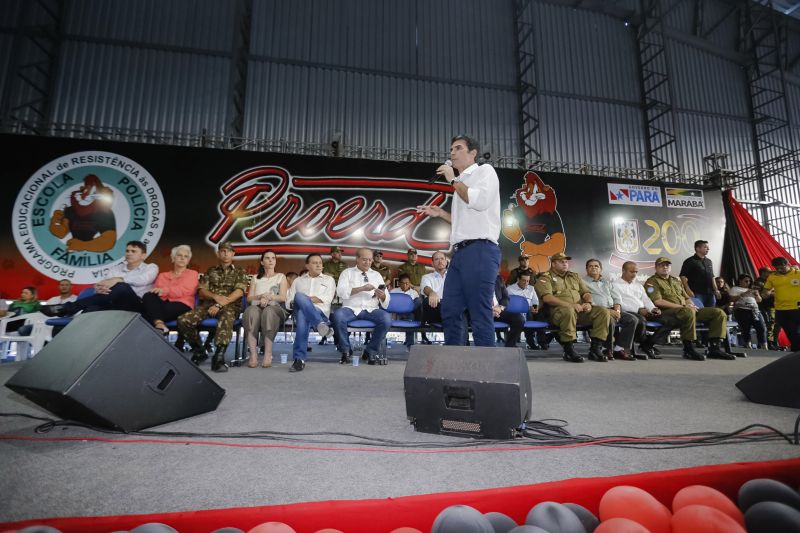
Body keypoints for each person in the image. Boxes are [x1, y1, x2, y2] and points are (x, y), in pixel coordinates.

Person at [416, 135, 501, 347]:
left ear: (473, 153)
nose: (452, 152)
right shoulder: (461, 184)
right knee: (450, 309)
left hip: (481, 250)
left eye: (458, 148)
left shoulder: (484, 171)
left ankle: (487, 369)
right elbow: (465, 222)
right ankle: (455, 361)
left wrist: (453, 179)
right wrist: (441, 215)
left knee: (479, 311)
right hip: (460, 253)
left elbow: (478, 202)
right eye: (451, 148)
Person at [177, 242, 248, 373]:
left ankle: (219, 357)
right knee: (183, 320)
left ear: (233, 254)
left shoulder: (240, 271)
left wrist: (220, 304)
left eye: (228, 251)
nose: (226, 254)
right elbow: (202, 291)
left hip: (230, 306)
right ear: (218, 254)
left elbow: (239, 292)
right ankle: (199, 351)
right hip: (208, 305)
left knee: (226, 317)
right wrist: (215, 297)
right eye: (223, 251)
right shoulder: (211, 271)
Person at [645, 256, 733, 360]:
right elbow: (658, 301)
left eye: (667, 265)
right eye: (661, 265)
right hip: (666, 312)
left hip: (685, 310)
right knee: (688, 312)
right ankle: (689, 349)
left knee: (718, 313)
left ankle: (714, 348)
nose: (665, 267)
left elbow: (686, 297)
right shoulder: (652, 282)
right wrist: (683, 307)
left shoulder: (675, 280)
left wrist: (691, 304)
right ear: (656, 268)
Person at [41, 240, 158, 317]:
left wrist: (119, 279)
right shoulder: (116, 268)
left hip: (136, 305)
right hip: (113, 303)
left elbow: (143, 280)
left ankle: (69, 307)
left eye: (133, 251)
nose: (129, 253)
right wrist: (99, 288)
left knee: (122, 287)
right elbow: (105, 284)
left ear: (143, 255)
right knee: (91, 310)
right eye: (127, 251)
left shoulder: (151, 267)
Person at [534, 252, 610, 362]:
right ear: (553, 264)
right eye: (561, 262)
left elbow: (586, 292)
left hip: (579, 311)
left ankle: (595, 349)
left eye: (566, 261)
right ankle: (569, 350)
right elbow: (547, 298)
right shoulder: (545, 278)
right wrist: (571, 305)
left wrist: (588, 303)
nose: (565, 264)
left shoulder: (574, 276)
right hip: (557, 313)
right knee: (568, 311)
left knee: (603, 311)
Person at [333, 248, 391, 365]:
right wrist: (362, 288)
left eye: (370, 260)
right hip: (350, 308)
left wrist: (383, 296)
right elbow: (341, 292)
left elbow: (386, 300)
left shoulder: (376, 275)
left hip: (371, 309)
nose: (368, 262)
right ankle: (346, 350)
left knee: (386, 319)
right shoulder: (347, 273)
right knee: (338, 316)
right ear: (357, 259)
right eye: (364, 260)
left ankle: (370, 351)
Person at [285, 253, 335, 372]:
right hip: (303, 311)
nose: (318, 265)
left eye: (320, 263)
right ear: (307, 266)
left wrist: (303, 301)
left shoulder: (329, 280)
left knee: (303, 311)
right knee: (299, 296)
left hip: (320, 312)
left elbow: (327, 299)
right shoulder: (298, 281)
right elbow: (289, 302)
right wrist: (302, 300)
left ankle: (299, 359)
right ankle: (321, 326)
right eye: (314, 263)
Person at [584, 258, 637, 361]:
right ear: (586, 269)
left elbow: (617, 298)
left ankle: (619, 349)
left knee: (632, 320)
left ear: (601, 269)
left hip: (613, 309)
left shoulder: (606, 282)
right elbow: (586, 300)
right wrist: (608, 311)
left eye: (596, 266)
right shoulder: (583, 283)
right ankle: (607, 349)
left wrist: (617, 310)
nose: (593, 268)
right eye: (590, 266)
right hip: (597, 311)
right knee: (610, 321)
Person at [243, 250, 289, 368]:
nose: (270, 260)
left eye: (273, 258)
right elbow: (249, 299)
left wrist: (269, 297)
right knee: (250, 311)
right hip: (257, 306)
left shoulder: (281, 277)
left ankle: (268, 354)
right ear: (262, 262)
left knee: (268, 311)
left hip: (275, 308)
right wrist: (260, 296)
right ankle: (253, 354)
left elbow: (283, 297)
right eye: (267, 258)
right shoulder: (255, 278)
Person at [141, 244, 199, 334]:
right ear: (173, 258)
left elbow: (186, 290)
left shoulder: (192, 274)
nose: (182, 258)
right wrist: (161, 291)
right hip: (162, 303)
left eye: (186, 256)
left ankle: (158, 324)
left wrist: (165, 291)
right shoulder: (163, 275)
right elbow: (157, 291)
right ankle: (159, 324)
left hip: (182, 304)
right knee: (148, 295)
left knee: (146, 314)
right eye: (179, 255)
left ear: (188, 260)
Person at [613, 261, 663, 360]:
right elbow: (619, 303)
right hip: (625, 312)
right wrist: (638, 310)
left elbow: (646, 299)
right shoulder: (615, 285)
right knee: (639, 320)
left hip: (642, 311)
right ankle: (634, 346)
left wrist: (653, 308)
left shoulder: (638, 286)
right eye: (631, 272)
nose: (634, 274)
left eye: (636, 272)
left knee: (663, 318)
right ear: (623, 271)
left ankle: (644, 344)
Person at [762, 256, 800, 352]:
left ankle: (796, 350)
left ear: (787, 264)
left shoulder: (798, 274)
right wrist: (765, 293)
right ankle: (796, 350)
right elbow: (766, 290)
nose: (779, 270)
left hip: (796, 308)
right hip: (780, 309)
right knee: (789, 331)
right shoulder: (772, 277)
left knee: (794, 330)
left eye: (782, 268)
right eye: (777, 268)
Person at [729, 274, 767, 349]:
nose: (748, 282)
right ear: (740, 281)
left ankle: (763, 345)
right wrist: (744, 294)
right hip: (742, 310)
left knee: (761, 327)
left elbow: (759, 300)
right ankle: (747, 344)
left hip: (755, 310)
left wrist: (756, 294)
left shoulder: (753, 289)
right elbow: (732, 300)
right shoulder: (735, 289)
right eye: (746, 281)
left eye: (749, 281)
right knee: (745, 328)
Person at [679, 240, 719, 307]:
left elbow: (712, 276)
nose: (708, 249)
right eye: (705, 247)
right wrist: (687, 289)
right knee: (700, 313)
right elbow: (682, 276)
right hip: (697, 293)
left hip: (710, 293)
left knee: (711, 313)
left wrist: (716, 289)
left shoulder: (709, 261)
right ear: (698, 248)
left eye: (708, 247)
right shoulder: (690, 261)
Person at [506, 271, 540, 349]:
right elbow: (507, 304)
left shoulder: (531, 288)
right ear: (518, 279)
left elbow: (535, 301)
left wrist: (534, 308)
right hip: (515, 312)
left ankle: (535, 341)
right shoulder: (510, 289)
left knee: (537, 315)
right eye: (524, 280)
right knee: (521, 317)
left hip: (529, 312)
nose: (526, 283)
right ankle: (522, 342)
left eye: (528, 281)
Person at [391, 273, 421, 349]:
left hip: (410, 313)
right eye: (402, 283)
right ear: (399, 283)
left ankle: (410, 345)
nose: (405, 285)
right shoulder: (393, 291)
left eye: (407, 283)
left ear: (409, 283)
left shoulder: (414, 293)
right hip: (398, 313)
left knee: (413, 315)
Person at [753, 266, 779, 349]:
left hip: (775, 305)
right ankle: (768, 342)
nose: (771, 273)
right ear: (763, 273)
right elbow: (763, 295)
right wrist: (776, 293)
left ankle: (774, 342)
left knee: (776, 325)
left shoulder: (771, 281)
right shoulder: (758, 282)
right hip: (765, 306)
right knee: (769, 324)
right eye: (769, 271)